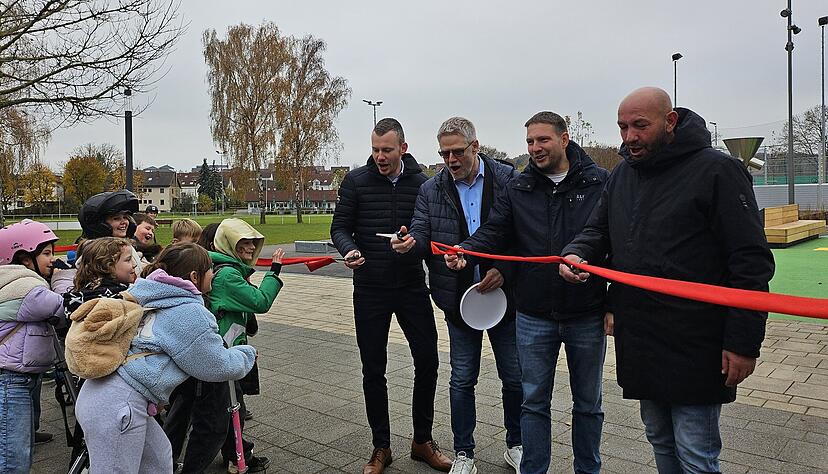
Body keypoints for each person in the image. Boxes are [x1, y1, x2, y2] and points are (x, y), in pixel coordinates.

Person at [559, 87, 775, 474]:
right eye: (623, 127)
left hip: (699, 340)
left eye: (640, 126)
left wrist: (743, 342)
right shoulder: (623, 173)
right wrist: (578, 253)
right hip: (641, 337)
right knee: (659, 439)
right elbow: (600, 231)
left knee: (695, 453)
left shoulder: (718, 170)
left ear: (670, 120)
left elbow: (751, 263)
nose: (629, 137)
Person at [445, 111, 609, 474]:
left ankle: (588, 469)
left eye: (543, 140)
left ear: (564, 139)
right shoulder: (518, 187)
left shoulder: (599, 182)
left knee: (588, 403)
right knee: (533, 402)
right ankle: (533, 469)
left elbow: (609, 239)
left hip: (586, 312)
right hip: (533, 314)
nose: (535, 148)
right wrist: (465, 249)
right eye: (530, 142)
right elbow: (497, 230)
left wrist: (613, 302)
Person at [392, 117, 522, 474]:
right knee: (463, 378)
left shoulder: (508, 179)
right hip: (458, 299)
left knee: (514, 376)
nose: (450, 160)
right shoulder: (431, 189)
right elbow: (421, 232)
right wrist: (411, 243)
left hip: (504, 296)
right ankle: (464, 453)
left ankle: (517, 445)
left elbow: (522, 233)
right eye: (443, 153)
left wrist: (506, 271)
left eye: (457, 152)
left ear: (475, 146)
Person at [331, 118, 450, 474]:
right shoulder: (355, 181)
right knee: (373, 368)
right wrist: (349, 249)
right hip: (369, 288)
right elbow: (340, 227)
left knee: (428, 360)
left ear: (403, 148)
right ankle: (380, 446)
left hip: (412, 286)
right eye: (375, 149)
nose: (380, 157)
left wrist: (415, 244)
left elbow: (428, 233)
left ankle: (422, 440)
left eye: (387, 150)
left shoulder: (423, 184)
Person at [73, 243, 257, 473]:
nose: (214, 274)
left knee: (158, 462)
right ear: (194, 276)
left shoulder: (151, 296)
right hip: (120, 405)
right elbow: (215, 366)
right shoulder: (187, 312)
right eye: (211, 269)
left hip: (105, 396)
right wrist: (246, 354)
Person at [0, 220, 65, 472]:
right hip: (11, 380)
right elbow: (61, 309)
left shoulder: (12, 281)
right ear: (25, 258)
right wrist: (63, 279)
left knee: (15, 448)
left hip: (18, 377)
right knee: (13, 457)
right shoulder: (27, 288)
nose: (52, 260)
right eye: (46, 253)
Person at [52, 190, 142, 294]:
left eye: (125, 217)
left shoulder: (124, 247)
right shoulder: (96, 255)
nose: (124, 222)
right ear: (100, 224)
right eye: (116, 218)